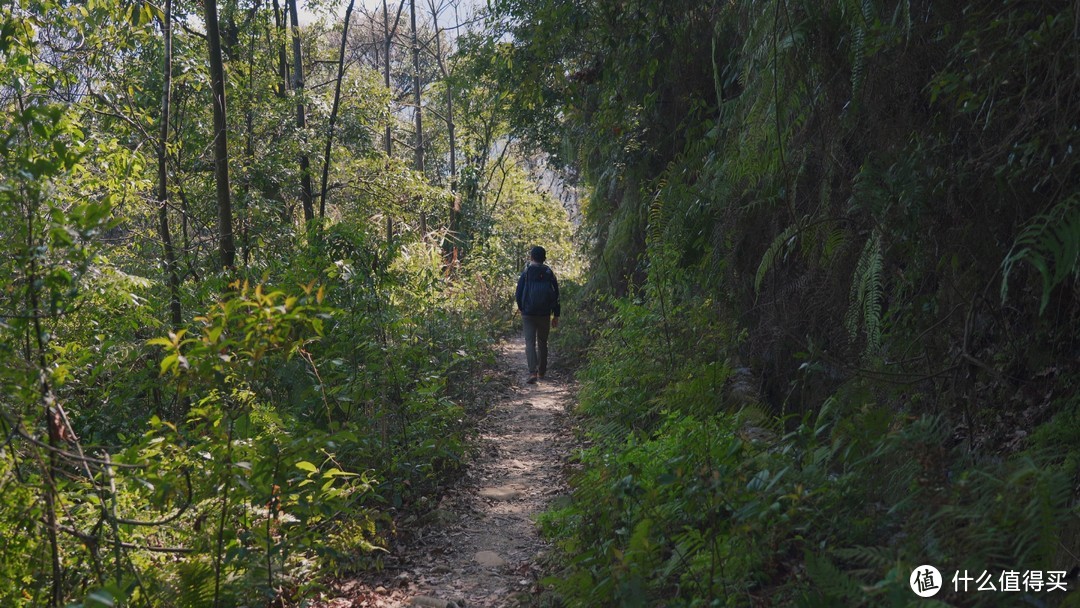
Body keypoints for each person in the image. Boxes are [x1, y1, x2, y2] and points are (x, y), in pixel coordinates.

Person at [515, 245, 560, 384]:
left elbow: (518, 293)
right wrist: (556, 315)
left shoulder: (527, 272)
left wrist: (522, 308)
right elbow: (556, 295)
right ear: (544, 258)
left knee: (529, 343)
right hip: (544, 313)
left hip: (528, 313)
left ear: (531, 257)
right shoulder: (548, 272)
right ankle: (542, 371)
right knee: (542, 342)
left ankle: (532, 372)